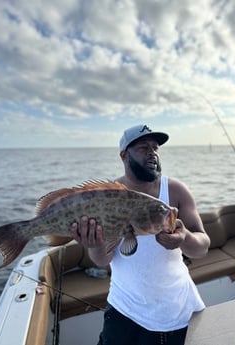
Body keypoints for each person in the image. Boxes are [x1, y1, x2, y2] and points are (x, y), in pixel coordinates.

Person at [71, 124, 211, 345]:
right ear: (124, 155)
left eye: (155, 147)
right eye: (143, 147)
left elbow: (202, 246)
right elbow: (101, 260)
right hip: (124, 312)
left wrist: (184, 238)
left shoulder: (176, 191)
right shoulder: (105, 196)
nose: (152, 152)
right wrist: (93, 243)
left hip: (178, 310)